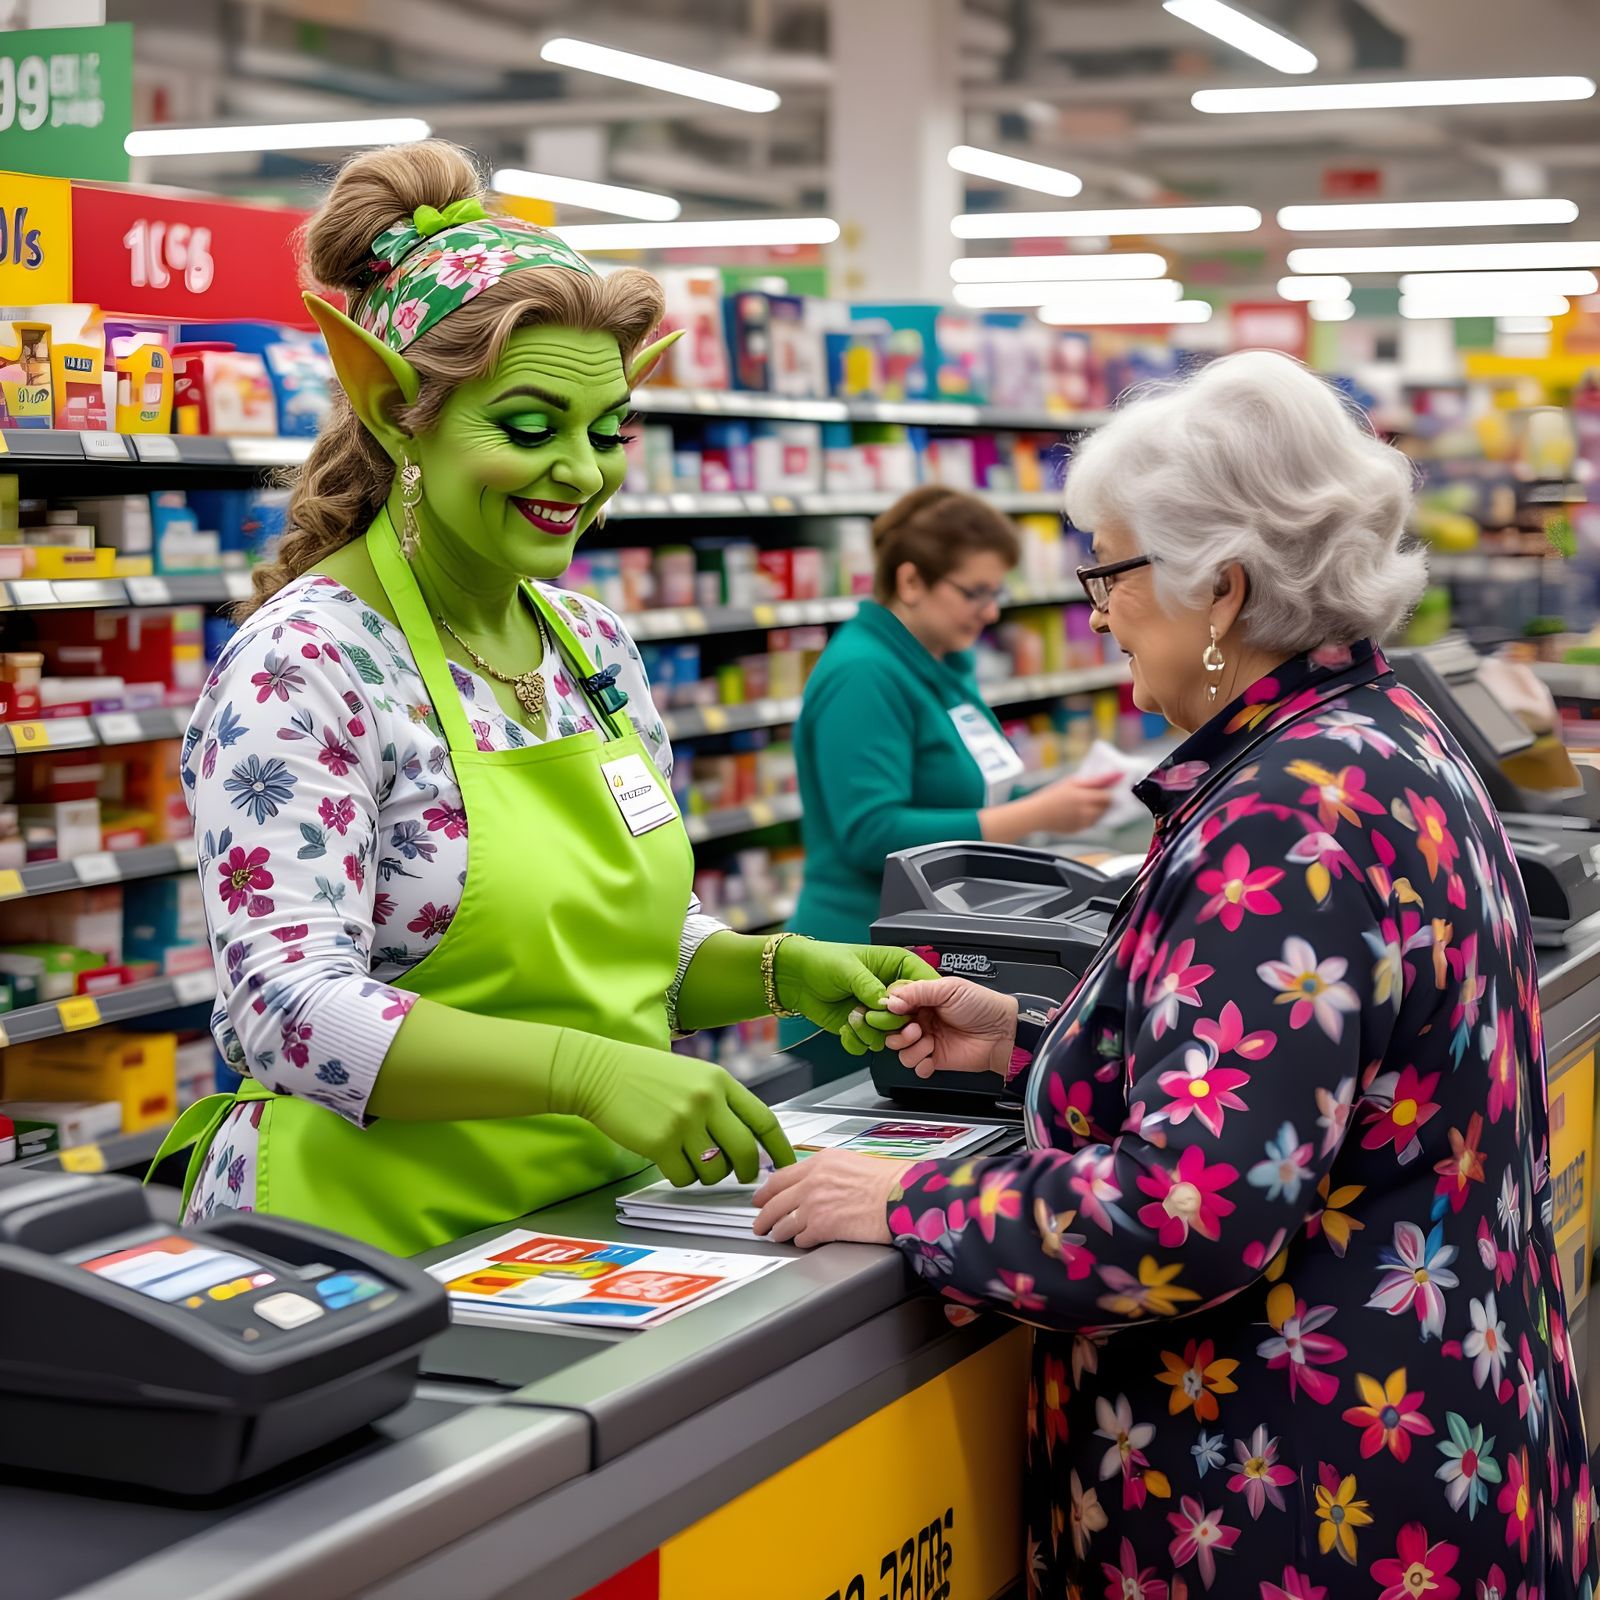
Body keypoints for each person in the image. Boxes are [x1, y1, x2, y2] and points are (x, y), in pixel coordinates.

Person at [753, 351, 1598, 1598]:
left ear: (1220, 589)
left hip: (1298, 1502)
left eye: (1107, 570)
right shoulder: (1381, 737)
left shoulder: (1284, 817)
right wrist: (1032, 1044)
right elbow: (1306, 1086)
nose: (1095, 612)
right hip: (1435, 1443)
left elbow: (1188, 1209)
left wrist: (912, 1199)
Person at [156, 141, 931, 1256]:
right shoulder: (305, 666)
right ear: (397, 409)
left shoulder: (590, 646)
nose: (581, 471)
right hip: (360, 1243)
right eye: (529, 428)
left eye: (606, 431)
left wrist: (779, 968)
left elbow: (618, 957)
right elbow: (286, 1009)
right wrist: (583, 1073)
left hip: (579, 1227)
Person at [788, 485, 1118, 959]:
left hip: (926, 936)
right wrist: (1038, 813)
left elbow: (969, 793)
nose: (992, 611)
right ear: (910, 582)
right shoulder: (862, 674)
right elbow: (871, 835)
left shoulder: (942, 662)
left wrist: (1058, 800)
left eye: (996, 592)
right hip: (857, 948)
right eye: (975, 593)